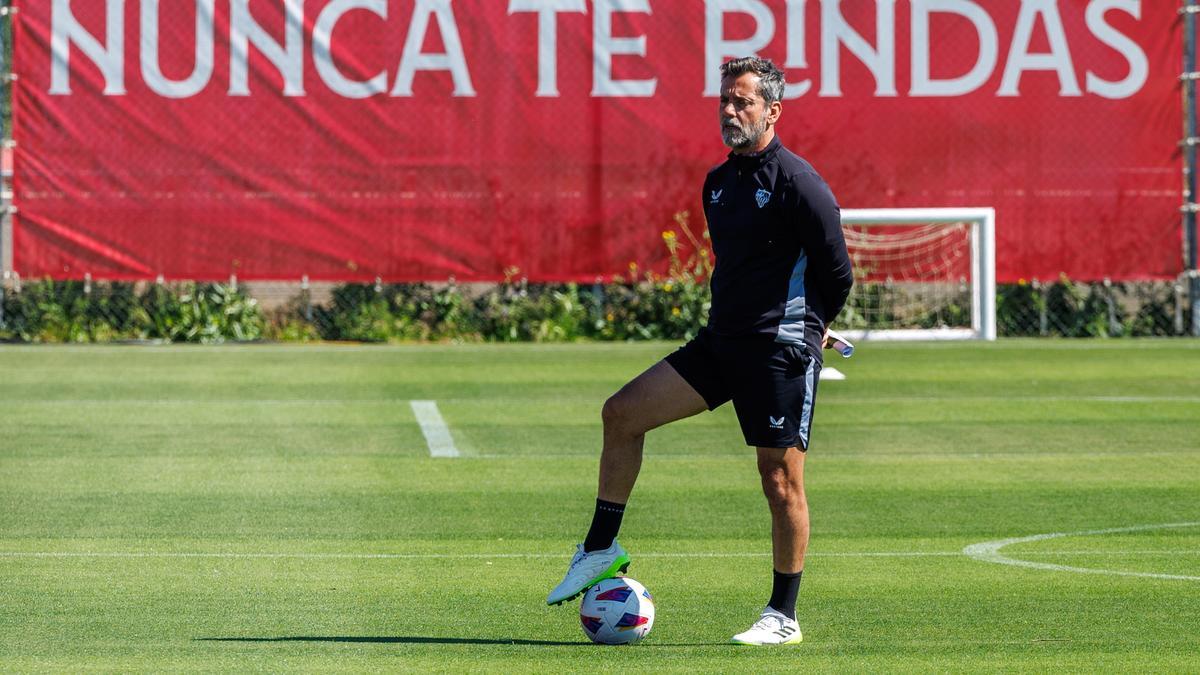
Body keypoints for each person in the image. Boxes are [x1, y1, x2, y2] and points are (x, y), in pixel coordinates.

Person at [546, 56, 854, 646]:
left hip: (779, 350)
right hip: (722, 345)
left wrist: (811, 328)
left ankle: (782, 615)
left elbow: (837, 272)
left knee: (779, 479)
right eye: (725, 101)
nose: (731, 111)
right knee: (622, 413)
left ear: (773, 109)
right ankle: (600, 547)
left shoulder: (801, 184)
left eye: (743, 101)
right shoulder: (718, 183)